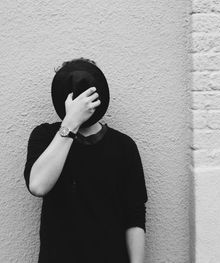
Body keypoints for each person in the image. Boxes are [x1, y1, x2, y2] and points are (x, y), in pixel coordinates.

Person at [23, 57, 148, 263]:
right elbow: (38, 186)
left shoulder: (124, 146)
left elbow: (134, 215)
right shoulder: (44, 136)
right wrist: (71, 122)